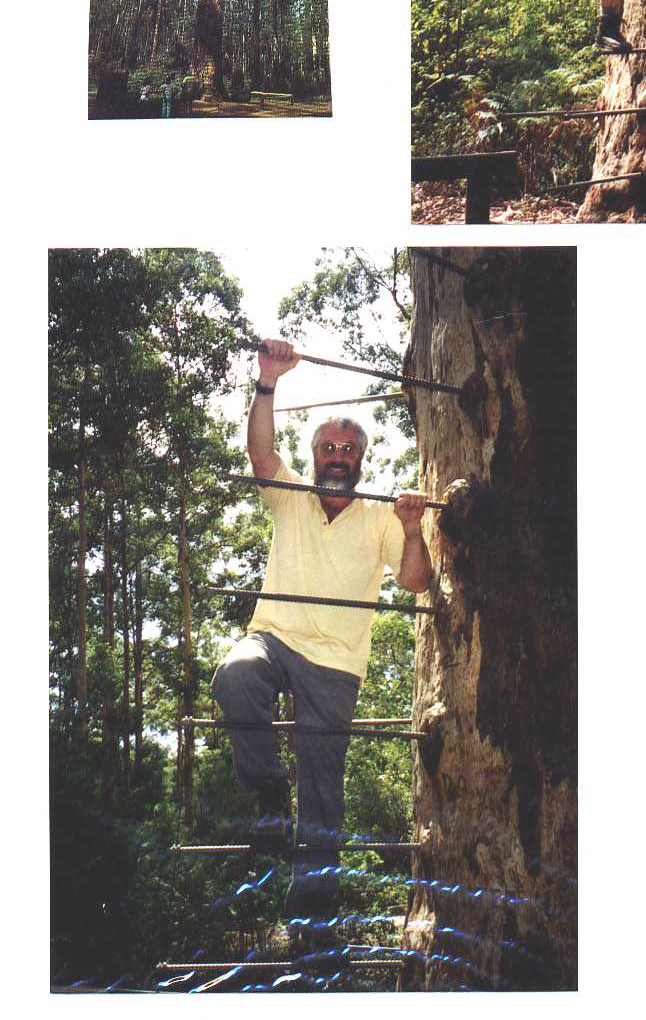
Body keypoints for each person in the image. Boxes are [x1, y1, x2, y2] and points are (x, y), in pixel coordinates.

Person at [211, 338, 433, 942]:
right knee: (234, 675)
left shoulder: (384, 514)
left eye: (349, 449)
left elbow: (415, 581)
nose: (338, 456)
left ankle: (312, 914)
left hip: (335, 664)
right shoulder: (290, 499)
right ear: (314, 456)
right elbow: (260, 453)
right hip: (275, 639)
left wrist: (413, 528)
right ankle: (266, 796)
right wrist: (267, 381)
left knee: (323, 784)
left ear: (361, 459)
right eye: (329, 447)